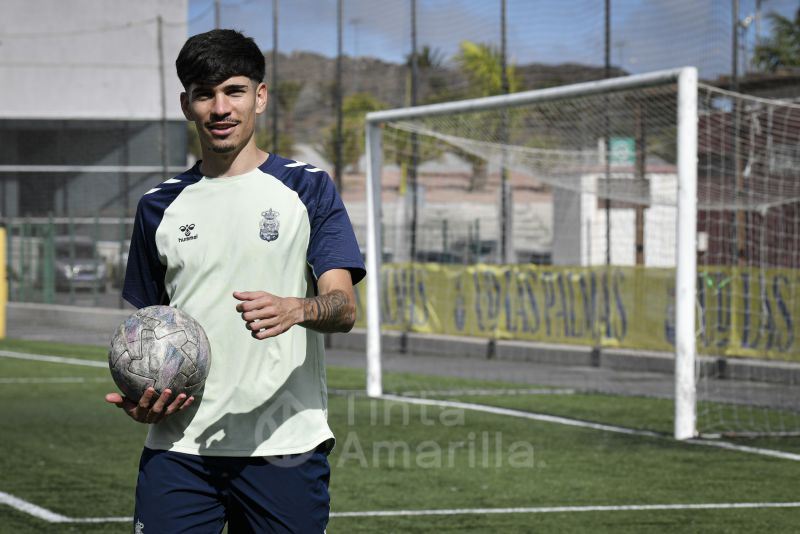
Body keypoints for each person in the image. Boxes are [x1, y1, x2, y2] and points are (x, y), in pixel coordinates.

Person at [104, 28, 365, 533]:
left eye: (234, 91)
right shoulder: (157, 206)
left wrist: (297, 308)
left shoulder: (307, 187)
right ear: (187, 104)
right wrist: (143, 396)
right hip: (179, 449)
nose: (220, 108)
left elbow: (344, 307)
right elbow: (148, 329)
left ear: (260, 97)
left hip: (284, 446)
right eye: (205, 94)